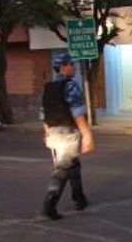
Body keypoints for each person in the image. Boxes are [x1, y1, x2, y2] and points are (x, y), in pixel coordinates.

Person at [39, 52, 94, 220]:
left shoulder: (48, 87)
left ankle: (79, 198)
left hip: (53, 133)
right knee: (62, 169)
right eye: (71, 64)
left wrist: (46, 133)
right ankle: (49, 206)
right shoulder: (71, 86)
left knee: (73, 164)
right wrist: (87, 135)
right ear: (63, 67)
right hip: (67, 133)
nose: (73, 67)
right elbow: (77, 113)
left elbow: (44, 114)